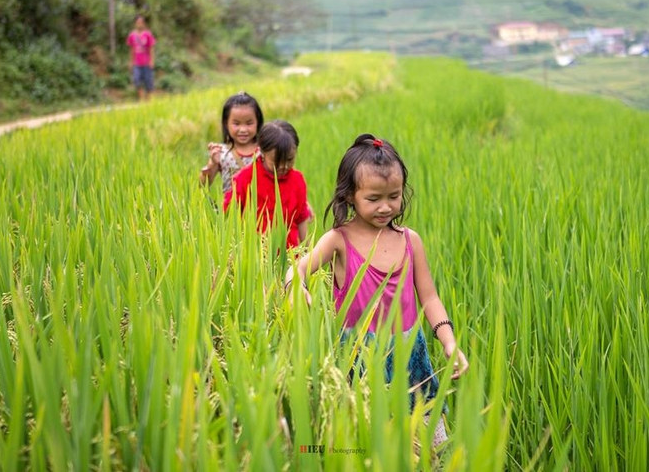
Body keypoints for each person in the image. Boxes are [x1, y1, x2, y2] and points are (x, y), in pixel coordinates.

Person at [284, 133, 468, 447]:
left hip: (411, 355)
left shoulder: (410, 240)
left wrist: (449, 341)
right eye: (373, 199)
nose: (385, 207)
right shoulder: (338, 240)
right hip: (360, 361)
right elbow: (298, 267)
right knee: (372, 447)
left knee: (431, 446)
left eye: (393, 196)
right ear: (349, 196)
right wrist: (294, 287)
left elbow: (430, 297)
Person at [223, 120, 311, 249]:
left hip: (290, 258)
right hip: (254, 259)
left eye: (289, 160)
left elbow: (301, 220)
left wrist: (309, 255)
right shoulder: (245, 179)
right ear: (262, 152)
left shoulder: (297, 180)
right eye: (276, 161)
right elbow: (228, 218)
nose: (284, 166)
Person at [200, 92, 264, 194]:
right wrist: (212, 163)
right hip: (231, 208)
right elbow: (202, 185)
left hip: (260, 208)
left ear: (258, 122)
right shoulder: (222, 152)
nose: (243, 129)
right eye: (236, 124)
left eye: (249, 123)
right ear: (226, 124)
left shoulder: (264, 151)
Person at [126, 14, 156, 101]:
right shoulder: (132, 35)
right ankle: (141, 99)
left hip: (146, 62)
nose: (139, 24)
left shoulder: (148, 34)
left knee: (148, 82)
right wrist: (131, 62)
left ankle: (149, 100)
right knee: (136, 80)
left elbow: (151, 48)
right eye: (138, 22)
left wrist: (152, 61)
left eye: (141, 22)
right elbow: (131, 49)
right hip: (136, 63)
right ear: (135, 23)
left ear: (144, 23)